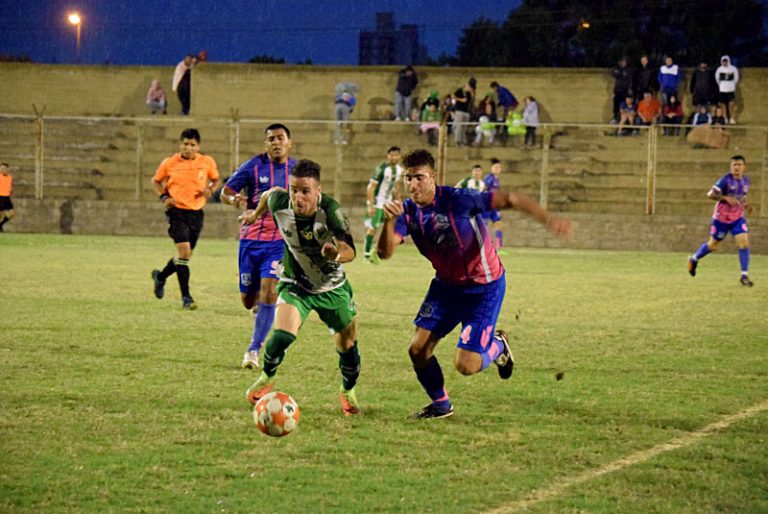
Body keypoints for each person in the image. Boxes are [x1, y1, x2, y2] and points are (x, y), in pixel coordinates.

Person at [376, 149, 571, 419]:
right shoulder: (406, 212)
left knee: (466, 365)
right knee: (417, 349)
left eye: (419, 177)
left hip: (484, 288)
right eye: (408, 178)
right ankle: (442, 406)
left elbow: (510, 199)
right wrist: (387, 223)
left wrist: (549, 219)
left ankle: (499, 345)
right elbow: (384, 253)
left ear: (433, 177)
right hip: (446, 287)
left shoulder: (459, 200)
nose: (412, 185)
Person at [241, 159, 362, 416]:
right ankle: (266, 378)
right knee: (282, 335)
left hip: (332, 287)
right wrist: (255, 214)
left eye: (305, 191)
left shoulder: (331, 212)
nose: (298, 196)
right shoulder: (280, 202)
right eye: (294, 189)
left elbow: (350, 249)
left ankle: (347, 390)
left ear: (318, 191)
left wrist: (335, 254)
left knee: (348, 346)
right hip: (296, 283)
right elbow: (269, 193)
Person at [219, 123, 297, 369]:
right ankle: (259, 312)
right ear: (266, 144)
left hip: (278, 242)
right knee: (247, 299)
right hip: (250, 240)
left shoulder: (297, 170)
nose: (276, 142)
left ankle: (253, 350)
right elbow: (226, 190)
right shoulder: (253, 166)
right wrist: (233, 199)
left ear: (289, 143)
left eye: (280, 138)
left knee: (270, 291)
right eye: (271, 139)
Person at [150, 129, 220, 309]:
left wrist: (210, 190)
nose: (188, 148)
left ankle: (161, 276)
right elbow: (156, 181)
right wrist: (164, 197)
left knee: (185, 256)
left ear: (198, 146)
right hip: (177, 212)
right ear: (180, 144)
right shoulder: (170, 162)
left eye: (192, 145)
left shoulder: (207, 162)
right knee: (184, 253)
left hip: (196, 213)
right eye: (185, 144)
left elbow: (216, 180)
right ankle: (186, 298)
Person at [687, 155, 753, 287]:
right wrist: (724, 197)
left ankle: (744, 276)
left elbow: (740, 197)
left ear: (744, 167)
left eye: (739, 165)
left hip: (737, 218)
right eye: (734, 165)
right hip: (721, 218)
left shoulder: (746, 181)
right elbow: (710, 194)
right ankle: (693, 259)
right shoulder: (725, 180)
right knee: (712, 245)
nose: (736, 167)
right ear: (730, 167)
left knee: (744, 243)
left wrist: (745, 205)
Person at [364, 146, 403, 263]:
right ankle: (366, 255)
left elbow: (396, 185)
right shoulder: (381, 169)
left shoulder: (399, 169)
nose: (393, 157)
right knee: (373, 228)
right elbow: (371, 187)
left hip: (388, 202)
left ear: (399, 156)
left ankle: (375, 251)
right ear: (388, 156)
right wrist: (370, 205)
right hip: (378, 203)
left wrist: (398, 199)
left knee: (389, 227)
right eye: (391, 155)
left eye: (396, 155)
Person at [483, 158, 503, 249]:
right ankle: (483, 245)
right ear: (491, 168)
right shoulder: (489, 178)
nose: (497, 169)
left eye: (498, 167)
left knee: (498, 223)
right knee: (484, 225)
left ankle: (498, 246)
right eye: (495, 167)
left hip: (494, 206)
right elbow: (483, 189)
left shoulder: (496, 179)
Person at [452, 78, 476, 147]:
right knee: (459, 126)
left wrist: (472, 92)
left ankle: (462, 141)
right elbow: (453, 96)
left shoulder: (470, 92)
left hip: (466, 111)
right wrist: (460, 99)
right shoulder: (460, 90)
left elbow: (472, 99)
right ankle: (457, 141)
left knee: (464, 127)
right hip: (459, 110)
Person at [715, 55, 739, 124]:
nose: (724, 63)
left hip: (730, 90)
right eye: (723, 61)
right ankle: (725, 118)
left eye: (726, 61)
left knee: (731, 104)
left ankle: (732, 118)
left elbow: (736, 78)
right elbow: (717, 79)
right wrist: (721, 86)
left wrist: (731, 85)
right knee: (723, 104)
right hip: (722, 90)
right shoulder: (719, 69)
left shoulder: (733, 69)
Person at [612, 57, 634, 122]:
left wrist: (621, 75)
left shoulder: (629, 70)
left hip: (625, 91)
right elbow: (615, 74)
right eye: (622, 61)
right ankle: (615, 118)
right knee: (616, 105)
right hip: (617, 90)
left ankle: (625, 121)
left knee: (625, 106)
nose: (623, 63)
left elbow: (626, 77)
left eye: (625, 62)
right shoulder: (616, 69)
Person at [0, 162, 14, 232]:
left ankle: (1, 224)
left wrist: (10, 190)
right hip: (0, 196)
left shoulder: (10, 177)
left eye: (4, 168)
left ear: (7, 169)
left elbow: (10, 186)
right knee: (0, 214)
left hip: (7, 197)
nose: (2, 170)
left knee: (12, 214)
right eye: (1, 168)